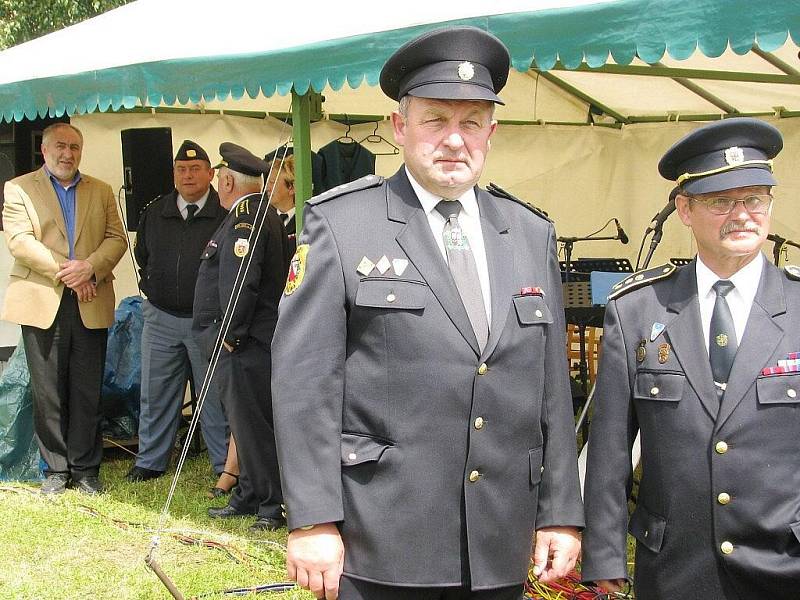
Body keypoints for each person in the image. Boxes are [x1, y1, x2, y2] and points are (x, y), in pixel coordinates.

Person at [271, 26, 584, 600]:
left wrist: (561, 510)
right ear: (400, 126)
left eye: (471, 123)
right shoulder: (343, 224)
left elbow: (550, 389)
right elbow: (304, 382)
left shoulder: (528, 232)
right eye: (435, 120)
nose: (454, 140)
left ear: (491, 130)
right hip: (383, 532)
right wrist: (313, 519)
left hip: (500, 536)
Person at [581, 118, 799, 599]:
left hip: (785, 562)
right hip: (676, 564)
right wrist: (604, 554)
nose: (741, 215)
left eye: (754, 199)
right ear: (684, 208)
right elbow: (611, 448)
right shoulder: (638, 308)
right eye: (721, 201)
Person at [2, 122, 127, 495]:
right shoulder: (18, 188)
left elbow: (117, 238)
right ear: (44, 150)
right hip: (44, 300)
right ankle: (56, 469)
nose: (67, 154)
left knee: (87, 390)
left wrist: (90, 267)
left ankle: (87, 469)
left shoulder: (101, 190)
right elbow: (20, 242)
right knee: (49, 391)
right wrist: (70, 272)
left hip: (91, 300)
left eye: (74, 147)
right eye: (60, 146)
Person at [192, 142, 290, 531]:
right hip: (246, 343)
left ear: (228, 180)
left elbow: (240, 282)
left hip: (245, 345)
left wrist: (228, 336)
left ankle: (272, 504)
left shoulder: (247, 215)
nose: (218, 183)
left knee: (253, 426)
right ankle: (249, 494)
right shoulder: (253, 214)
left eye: (219, 177)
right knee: (244, 425)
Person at [126, 140, 229, 483]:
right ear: (173, 175)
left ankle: (224, 468)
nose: (188, 176)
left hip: (207, 323)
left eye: (195, 168)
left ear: (210, 174)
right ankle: (150, 461)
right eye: (181, 170)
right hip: (161, 319)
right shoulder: (155, 212)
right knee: (155, 395)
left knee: (215, 399)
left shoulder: (225, 213)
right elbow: (144, 256)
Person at [265, 152, 297, 257]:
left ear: (291, 188)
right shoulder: (264, 218)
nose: (267, 188)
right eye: (267, 182)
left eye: (272, 182)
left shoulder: (307, 220)